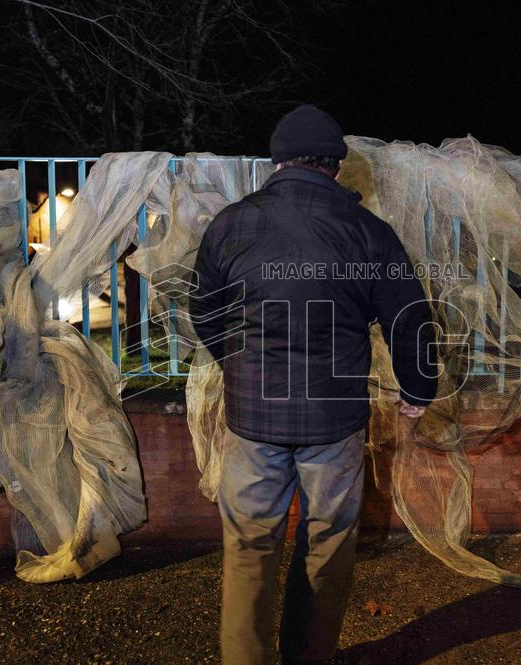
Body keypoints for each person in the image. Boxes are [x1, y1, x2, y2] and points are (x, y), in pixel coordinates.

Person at [189, 104, 438, 665]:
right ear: (334, 166)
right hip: (334, 420)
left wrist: (238, 367)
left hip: (253, 419)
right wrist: (418, 389)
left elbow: (204, 312)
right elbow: (409, 317)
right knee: (328, 545)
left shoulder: (232, 222)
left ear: (276, 163)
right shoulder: (368, 231)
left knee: (249, 545)